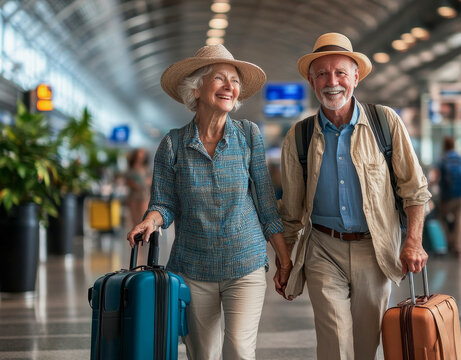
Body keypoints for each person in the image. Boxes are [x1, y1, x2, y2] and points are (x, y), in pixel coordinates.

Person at [126, 44, 292, 360]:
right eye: (220, 78)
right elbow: (164, 202)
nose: (230, 86)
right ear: (197, 88)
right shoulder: (173, 144)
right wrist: (151, 219)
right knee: (202, 354)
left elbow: (266, 204)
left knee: (240, 351)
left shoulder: (248, 135)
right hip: (192, 268)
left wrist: (284, 258)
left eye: (235, 80)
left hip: (245, 263)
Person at [278, 32, 431, 359]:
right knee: (334, 340)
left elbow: (414, 189)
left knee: (365, 344)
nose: (332, 81)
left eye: (341, 73)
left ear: (356, 78)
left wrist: (413, 241)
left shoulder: (384, 122)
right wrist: (285, 259)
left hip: (374, 250)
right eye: (322, 73)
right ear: (311, 80)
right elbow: (290, 210)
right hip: (322, 248)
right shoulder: (300, 135)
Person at [431, 136, 461, 256]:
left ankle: (448, 242)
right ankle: (458, 247)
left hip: (447, 197)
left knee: (440, 218)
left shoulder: (442, 160)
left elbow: (434, 178)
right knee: (460, 221)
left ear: (444, 146)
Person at [125, 148, 152, 228]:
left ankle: (142, 237)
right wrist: (135, 185)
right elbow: (127, 181)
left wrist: (143, 184)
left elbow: (150, 180)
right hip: (133, 196)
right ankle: (136, 238)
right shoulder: (131, 168)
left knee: (143, 218)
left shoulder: (146, 168)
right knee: (134, 219)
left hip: (144, 196)